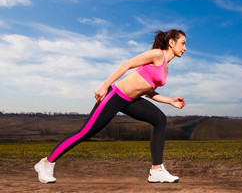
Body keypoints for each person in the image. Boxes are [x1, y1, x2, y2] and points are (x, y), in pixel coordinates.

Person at [34, 29, 187, 184]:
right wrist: (104, 86)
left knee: (160, 119)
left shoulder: (165, 67)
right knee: (85, 132)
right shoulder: (157, 54)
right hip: (114, 95)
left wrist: (170, 101)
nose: (185, 48)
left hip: (131, 100)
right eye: (183, 43)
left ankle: (156, 170)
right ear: (171, 42)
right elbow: (127, 65)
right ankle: (46, 164)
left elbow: (147, 91)